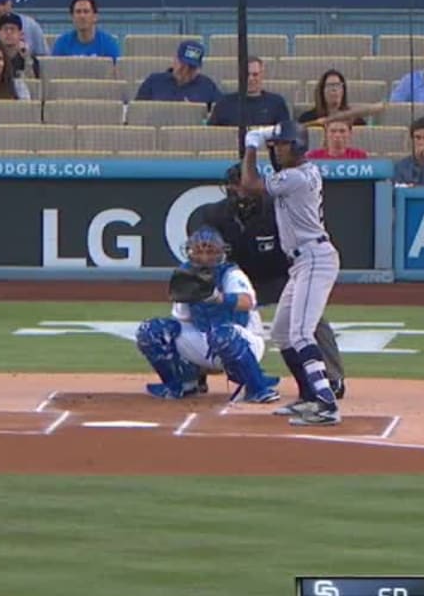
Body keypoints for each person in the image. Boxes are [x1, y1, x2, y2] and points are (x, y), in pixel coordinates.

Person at [199, 165, 347, 395]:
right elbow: (206, 255)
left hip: (279, 276)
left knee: (310, 318)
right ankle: (195, 373)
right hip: (238, 278)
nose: (240, 195)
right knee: (204, 301)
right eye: (234, 190)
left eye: (244, 189)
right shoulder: (214, 214)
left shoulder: (278, 209)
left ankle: (331, 377)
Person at [237, 121, 341, 426]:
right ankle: (308, 396)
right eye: (276, 145)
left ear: (296, 147)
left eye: (282, 145)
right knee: (282, 333)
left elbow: (248, 184)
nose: (277, 150)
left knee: (300, 333)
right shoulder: (297, 173)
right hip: (301, 262)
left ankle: (326, 403)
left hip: (315, 258)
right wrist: (265, 137)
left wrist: (251, 145)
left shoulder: (296, 177)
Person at [133, 227, 280, 403]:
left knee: (222, 334)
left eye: (210, 251)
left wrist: (218, 298)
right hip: (203, 336)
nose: (204, 257)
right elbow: (182, 318)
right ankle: (181, 383)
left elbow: (247, 302)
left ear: (220, 252)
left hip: (243, 338)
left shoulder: (231, 273)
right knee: (151, 331)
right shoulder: (185, 275)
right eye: (199, 251)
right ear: (190, 252)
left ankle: (257, 387)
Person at [133, 39, 221, 106]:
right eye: (183, 65)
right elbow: (138, 111)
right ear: (175, 60)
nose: (186, 70)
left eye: (191, 68)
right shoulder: (153, 82)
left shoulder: (207, 86)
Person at [209, 57, 291, 127]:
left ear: (262, 75)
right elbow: (213, 135)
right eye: (246, 74)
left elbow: (286, 137)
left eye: (255, 74)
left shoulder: (276, 103)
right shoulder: (224, 104)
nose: (250, 79)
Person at [51, 0, 119, 60]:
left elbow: (116, 70)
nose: (82, 16)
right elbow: (53, 70)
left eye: (86, 11)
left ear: (95, 17)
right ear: (72, 17)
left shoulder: (109, 43)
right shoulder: (62, 43)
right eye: (78, 12)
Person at [0, 13, 39, 79]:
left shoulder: (29, 58)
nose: (9, 32)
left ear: (21, 34)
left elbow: (33, 83)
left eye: (12, 29)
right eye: (5, 29)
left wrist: (27, 59)